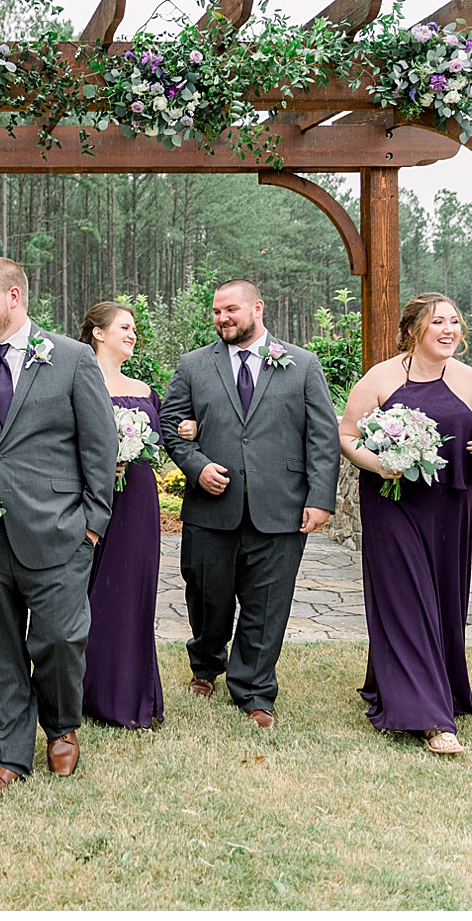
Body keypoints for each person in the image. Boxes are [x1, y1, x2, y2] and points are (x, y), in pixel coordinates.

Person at [0, 257, 117, 799]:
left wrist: (92, 523)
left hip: (59, 527)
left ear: (14, 298)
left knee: (60, 638)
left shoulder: (73, 358)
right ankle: (10, 752)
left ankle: (61, 726)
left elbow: (99, 445)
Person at [336, 294, 472, 753]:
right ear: (414, 329)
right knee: (405, 599)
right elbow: (348, 434)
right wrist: (378, 465)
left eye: (455, 321)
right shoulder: (382, 377)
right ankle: (432, 719)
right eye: (438, 321)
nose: (449, 329)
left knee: (441, 602)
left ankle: (407, 685)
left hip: (449, 508)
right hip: (391, 504)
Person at [158, 278, 340, 729]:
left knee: (267, 604)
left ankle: (255, 690)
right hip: (211, 508)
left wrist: (321, 499)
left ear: (257, 307)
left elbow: (321, 436)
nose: (222, 318)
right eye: (217, 311)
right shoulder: (193, 365)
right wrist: (196, 465)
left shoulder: (301, 364)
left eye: (231, 310)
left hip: (279, 507)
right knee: (207, 597)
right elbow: (169, 421)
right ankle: (205, 665)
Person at [78, 302, 166, 730]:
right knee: (89, 591)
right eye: (125, 327)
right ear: (98, 333)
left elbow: (161, 440)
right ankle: (84, 689)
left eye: (134, 329)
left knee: (132, 591)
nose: (132, 334)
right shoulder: (76, 380)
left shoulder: (146, 389)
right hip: (86, 499)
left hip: (137, 501)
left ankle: (131, 693)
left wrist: (189, 430)